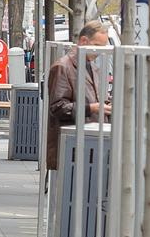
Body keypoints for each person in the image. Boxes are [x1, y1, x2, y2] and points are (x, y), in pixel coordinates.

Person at [45, 22, 111, 171]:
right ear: (83, 41)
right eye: (97, 46)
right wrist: (91, 108)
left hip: (88, 144)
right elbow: (57, 107)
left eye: (103, 47)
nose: (99, 51)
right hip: (72, 146)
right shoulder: (63, 66)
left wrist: (105, 105)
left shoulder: (92, 66)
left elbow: (93, 97)